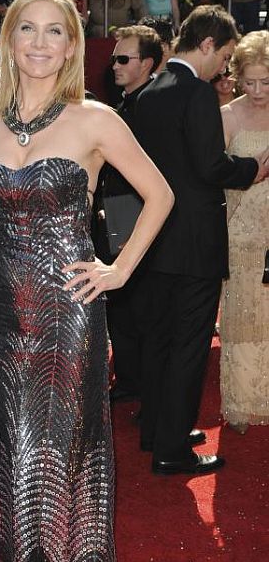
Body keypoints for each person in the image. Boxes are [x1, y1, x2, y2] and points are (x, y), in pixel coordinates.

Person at [0, 0, 174, 562]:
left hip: (68, 316)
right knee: (4, 459)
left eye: (54, 31)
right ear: (8, 40)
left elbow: (160, 194)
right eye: (27, 29)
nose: (39, 43)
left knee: (58, 462)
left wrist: (118, 270)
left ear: (72, 46)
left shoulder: (93, 119)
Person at [133, 4, 268, 475]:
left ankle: (156, 429)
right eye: (225, 56)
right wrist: (252, 169)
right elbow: (211, 166)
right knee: (189, 346)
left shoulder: (149, 91)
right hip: (195, 243)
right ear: (208, 44)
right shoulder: (196, 93)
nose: (224, 67)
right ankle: (172, 450)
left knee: (159, 339)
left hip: (155, 239)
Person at [93, 25, 163, 403]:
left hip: (140, 220)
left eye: (124, 59)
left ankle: (146, 387)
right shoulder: (120, 107)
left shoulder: (154, 106)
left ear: (147, 64)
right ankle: (130, 378)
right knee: (122, 307)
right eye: (113, 59)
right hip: (114, 219)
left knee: (143, 306)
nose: (115, 66)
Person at [219, 30, 269, 433]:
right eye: (249, 82)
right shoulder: (228, 116)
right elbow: (214, 176)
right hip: (239, 232)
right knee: (243, 315)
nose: (256, 91)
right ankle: (243, 402)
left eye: (265, 82)